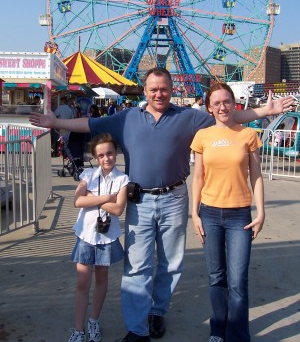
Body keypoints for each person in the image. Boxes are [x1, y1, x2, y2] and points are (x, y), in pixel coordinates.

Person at [29, 68, 295, 342]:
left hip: (174, 197)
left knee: (171, 262)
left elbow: (226, 116)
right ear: (144, 91)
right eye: (153, 89)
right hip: (139, 200)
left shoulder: (188, 117)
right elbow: (89, 125)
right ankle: (137, 328)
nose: (159, 93)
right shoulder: (127, 118)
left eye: (164, 88)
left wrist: (264, 110)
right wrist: (54, 123)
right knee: (137, 265)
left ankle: (157, 311)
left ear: (172, 90)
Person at [191, 83, 265, 342]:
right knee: (216, 277)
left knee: (237, 280)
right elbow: (198, 177)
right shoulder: (202, 136)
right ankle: (218, 329)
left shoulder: (248, 135)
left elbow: (256, 176)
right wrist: (195, 213)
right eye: (217, 103)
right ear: (209, 108)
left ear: (235, 104)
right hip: (209, 213)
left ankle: (237, 335)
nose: (222, 107)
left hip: (239, 216)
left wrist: (261, 212)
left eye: (227, 102)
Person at [68, 133, 128, 342]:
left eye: (110, 153)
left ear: (115, 153)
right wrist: (105, 198)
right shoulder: (88, 174)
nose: (106, 159)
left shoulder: (122, 179)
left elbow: (118, 208)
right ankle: (78, 328)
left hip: (107, 238)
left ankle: (94, 321)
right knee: (82, 282)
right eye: (101, 155)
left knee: (101, 279)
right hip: (86, 235)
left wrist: (92, 199)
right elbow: (77, 201)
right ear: (95, 156)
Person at [190, 95, 205, 165]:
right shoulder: (196, 108)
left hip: (196, 127)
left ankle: (193, 158)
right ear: (198, 100)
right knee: (195, 143)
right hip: (195, 127)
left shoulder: (198, 107)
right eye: (201, 100)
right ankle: (192, 159)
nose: (202, 101)